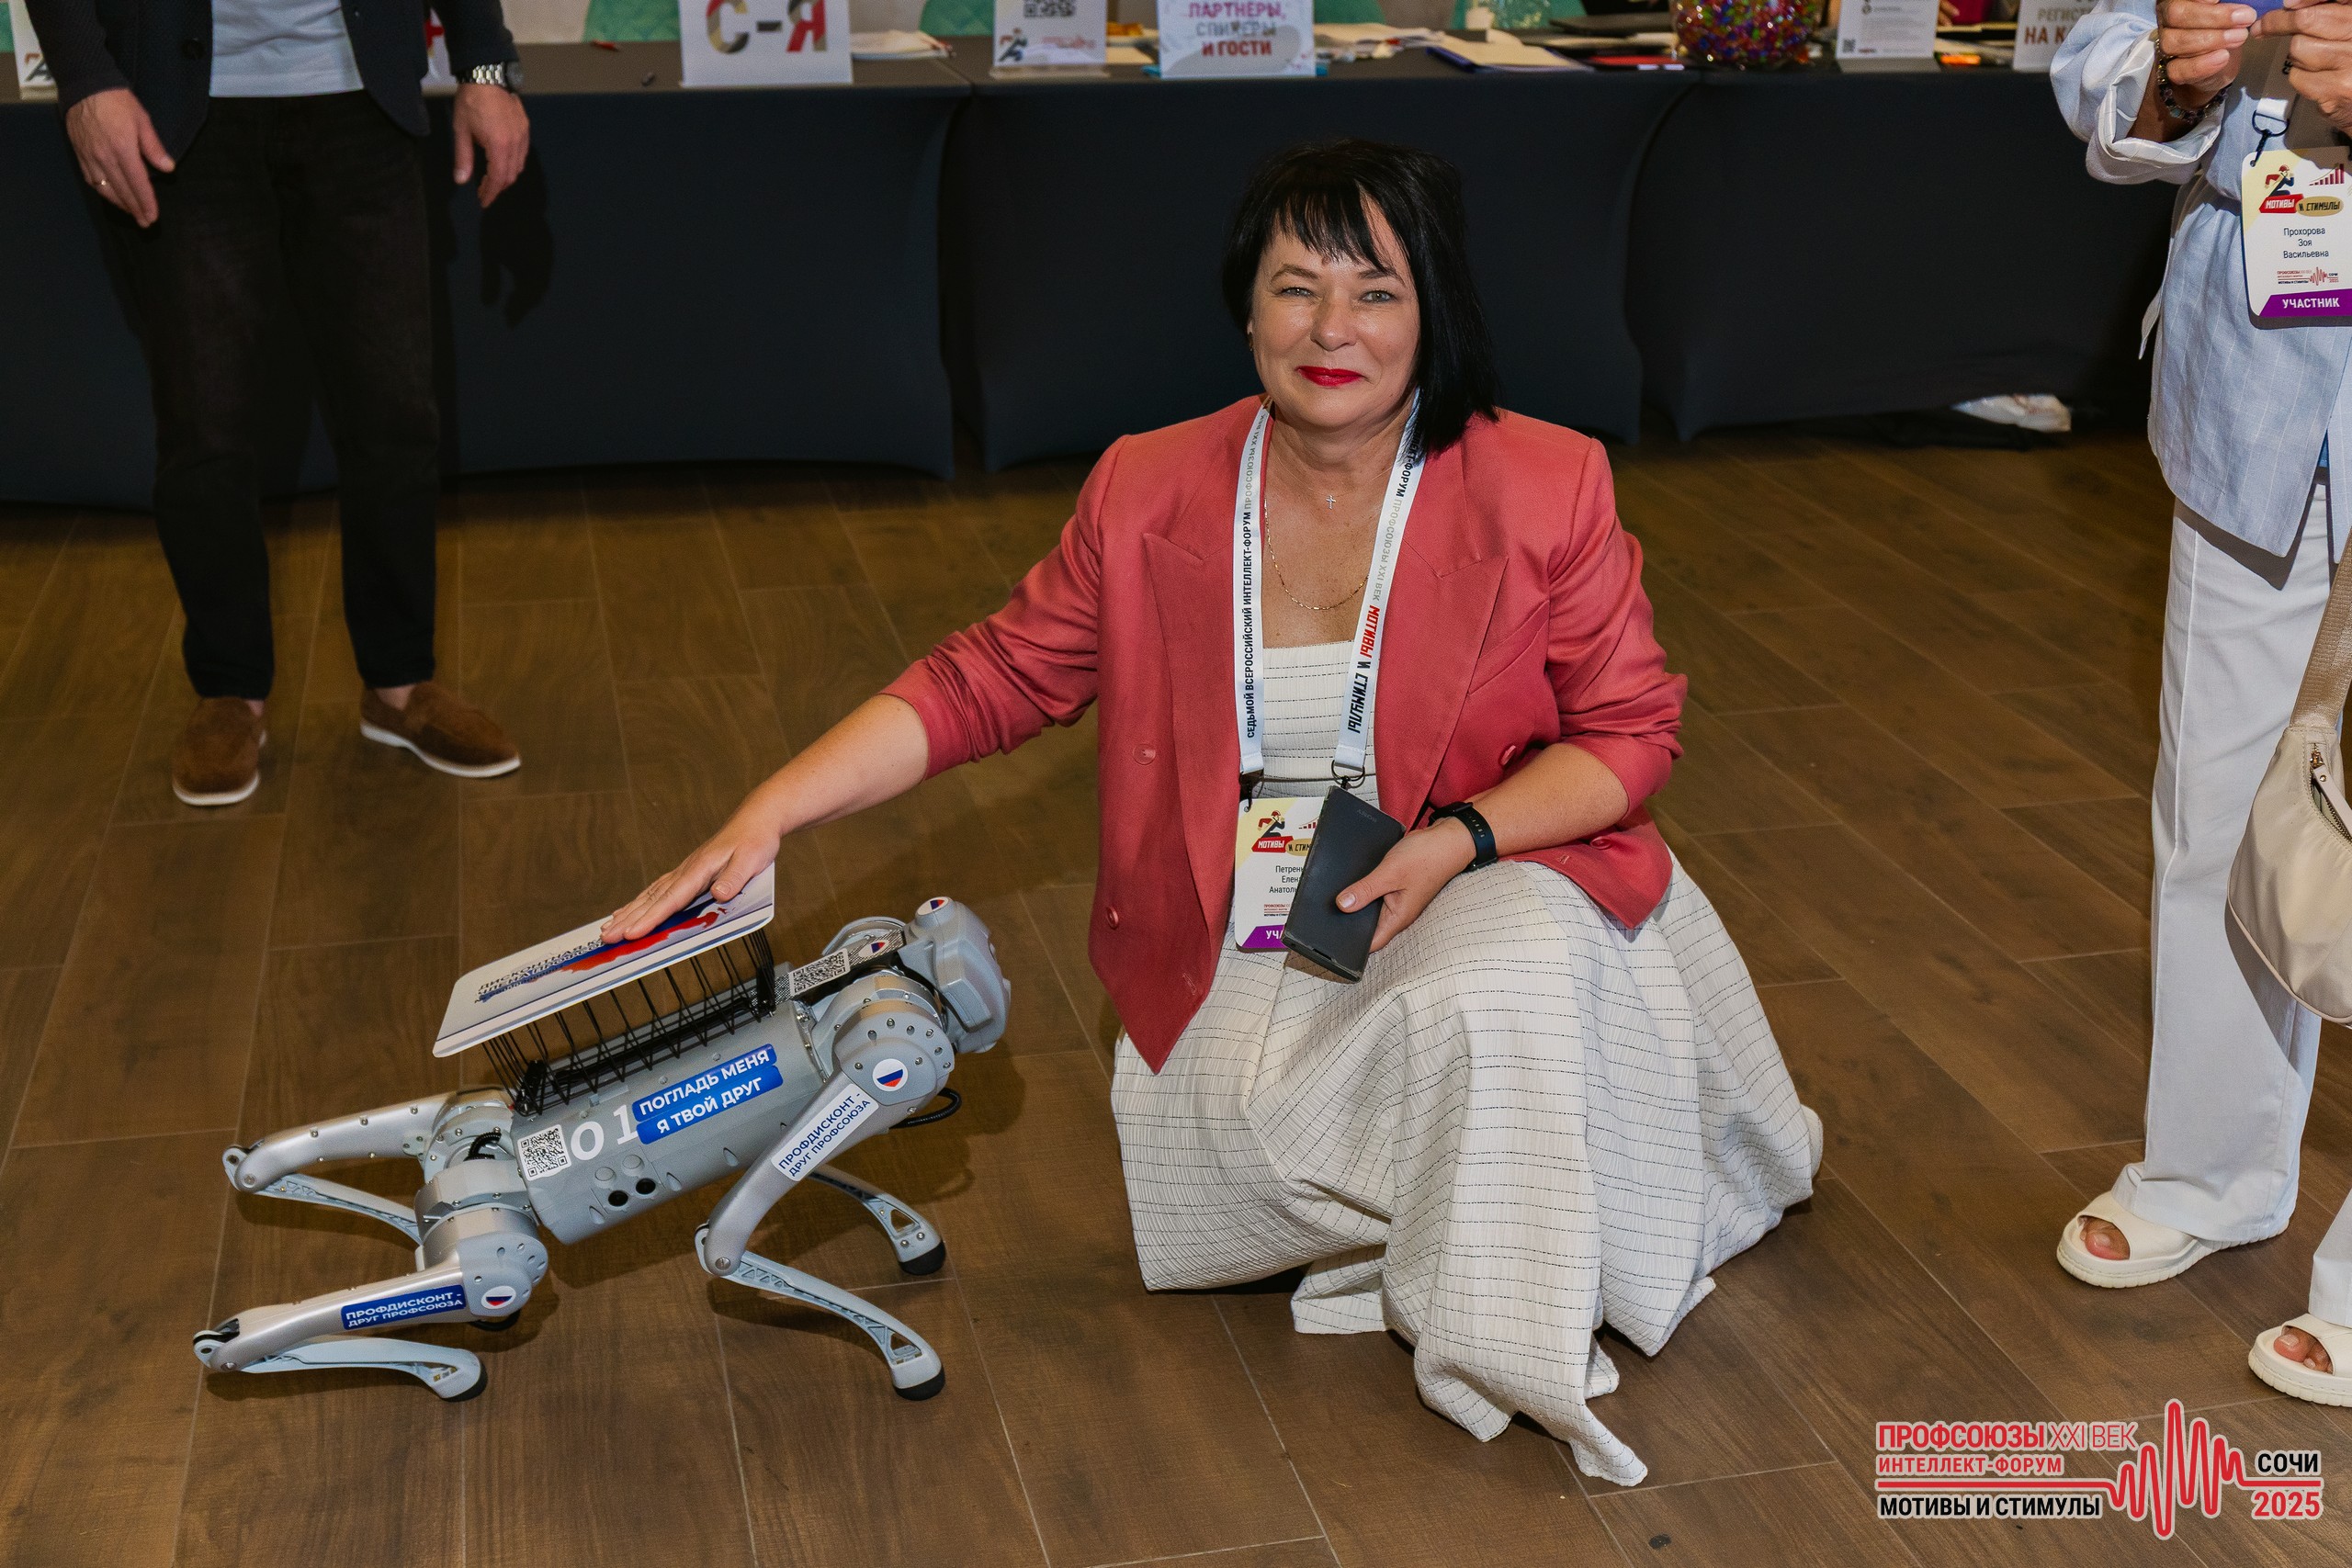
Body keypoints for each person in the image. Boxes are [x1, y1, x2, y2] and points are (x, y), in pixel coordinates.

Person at [601, 140, 1820, 1483]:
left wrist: (1460, 838)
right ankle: (1410, 1202)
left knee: (1506, 976)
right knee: (1239, 1154)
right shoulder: (1150, 485)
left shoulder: (1543, 478)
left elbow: (1631, 734)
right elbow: (987, 678)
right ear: (1247, 309)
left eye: (1377, 292)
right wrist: (774, 809)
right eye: (1297, 288)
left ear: (1435, 314)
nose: (1333, 328)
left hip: (1484, 858)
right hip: (1246, 902)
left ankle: (1504, 1338)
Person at [2053, 1, 2352, 1403]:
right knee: (2219, 813)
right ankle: (2214, 1167)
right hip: (2257, 401)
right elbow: (2096, 57)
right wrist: (2173, 79)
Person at [28, 0, 530, 806]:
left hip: (360, 96)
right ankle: (228, 692)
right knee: (205, 425)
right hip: (177, 107)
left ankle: (400, 683)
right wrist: (85, 79)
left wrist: (483, 63)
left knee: (396, 416)